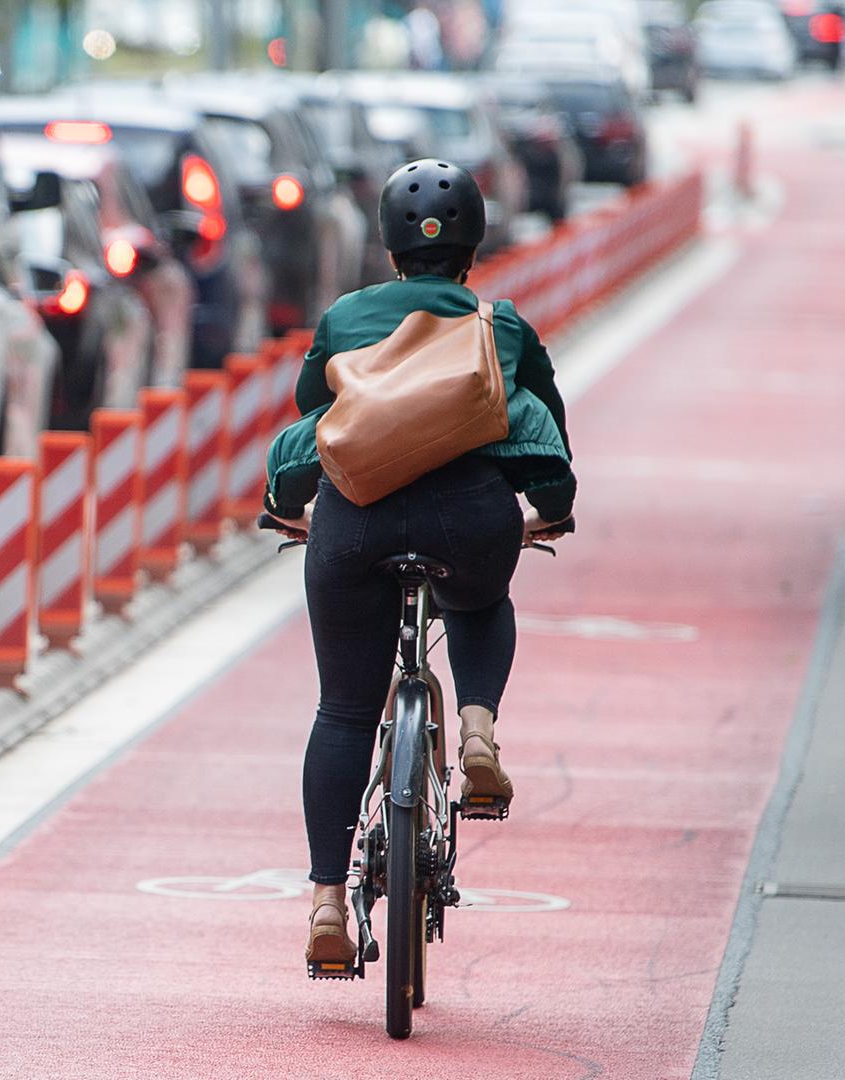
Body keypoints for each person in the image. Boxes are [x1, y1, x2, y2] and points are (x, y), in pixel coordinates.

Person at [261, 159, 575, 973]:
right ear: (472, 244)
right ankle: (477, 733)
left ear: (388, 248)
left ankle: (329, 904)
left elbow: (314, 424)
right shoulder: (498, 324)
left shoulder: (341, 318)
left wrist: (287, 502)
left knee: (342, 712)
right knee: (478, 602)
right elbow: (543, 426)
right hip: (469, 518)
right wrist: (552, 507)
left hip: (353, 526)